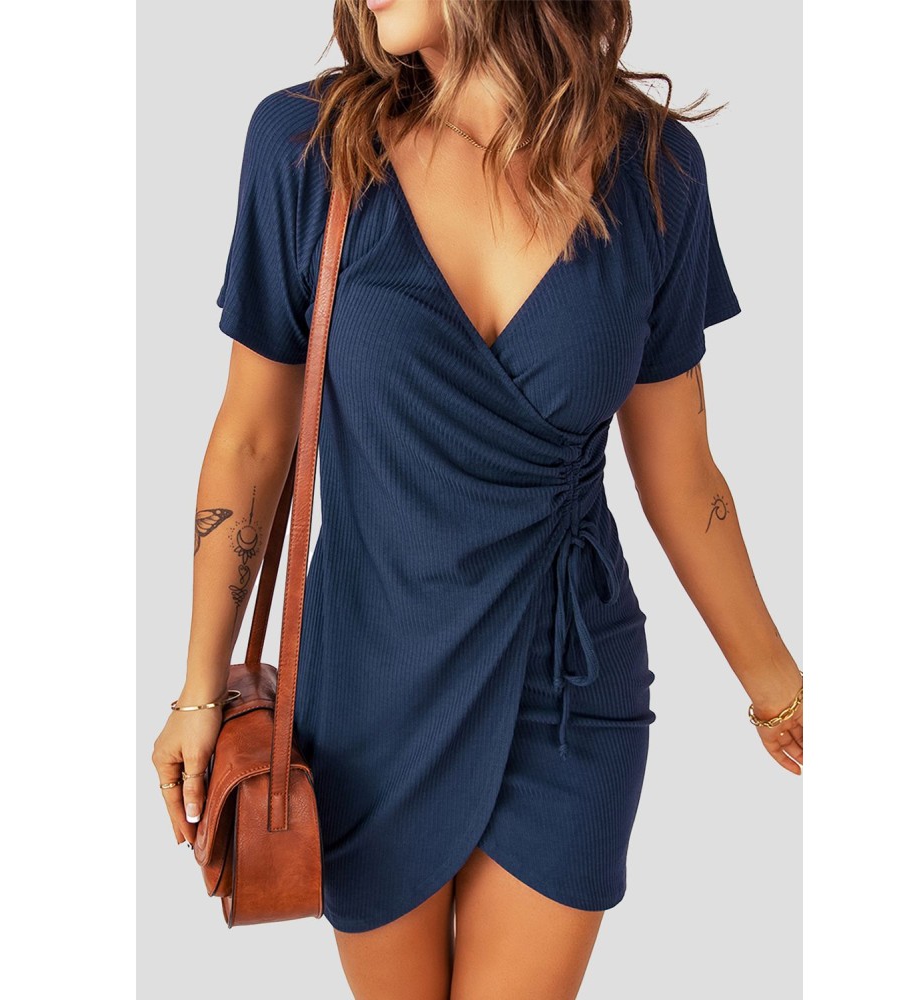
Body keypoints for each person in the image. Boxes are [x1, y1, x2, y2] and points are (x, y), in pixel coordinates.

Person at [152, 1, 802, 997]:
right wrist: (201, 689)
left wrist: (777, 687)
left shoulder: (654, 170)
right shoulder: (306, 148)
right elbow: (251, 439)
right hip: (369, 685)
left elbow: (683, 475)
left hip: (570, 683)